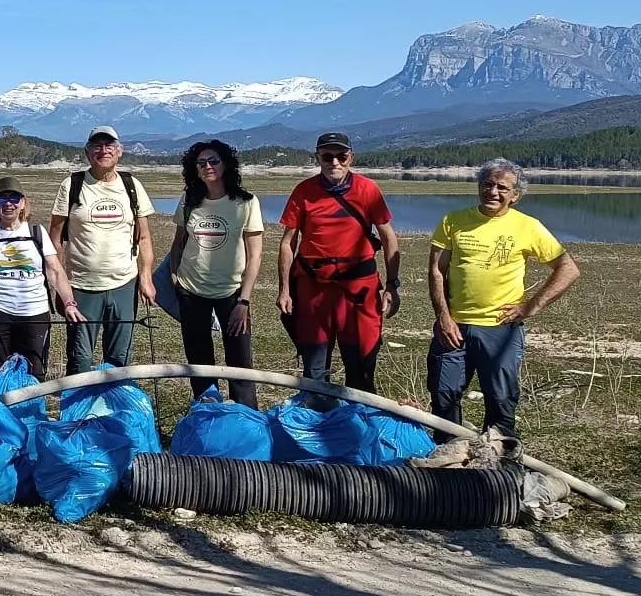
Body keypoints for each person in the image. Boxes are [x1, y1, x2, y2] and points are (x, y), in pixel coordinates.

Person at [427, 160, 580, 439]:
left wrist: (530, 307)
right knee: (443, 395)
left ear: (515, 195)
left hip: (500, 329)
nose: (493, 192)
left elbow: (568, 268)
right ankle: (446, 462)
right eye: (487, 184)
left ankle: (498, 466)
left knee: (501, 399)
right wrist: (443, 317)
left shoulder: (528, 226)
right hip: (453, 327)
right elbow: (437, 270)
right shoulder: (452, 221)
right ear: (479, 186)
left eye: (502, 187)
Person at [276, 132, 402, 394]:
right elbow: (288, 243)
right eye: (327, 156)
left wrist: (392, 284)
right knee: (314, 364)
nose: (334, 162)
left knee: (361, 361)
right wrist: (285, 290)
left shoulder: (368, 190)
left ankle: (358, 425)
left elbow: (389, 238)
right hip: (313, 288)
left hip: (358, 289)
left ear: (350, 158)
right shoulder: (304, 191)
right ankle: (316, 422)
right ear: (318, 159)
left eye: (341, 156)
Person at [49, 125, 157, 375]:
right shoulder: (72, 184)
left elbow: (145, 237)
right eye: (97, 145)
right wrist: (59, 283)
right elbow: (56, 240)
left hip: (124, 284)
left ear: (120, 151)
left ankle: (114, 409)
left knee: (120, 358)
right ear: (87, 152)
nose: (103, 150)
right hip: (81, 287)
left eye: (109, 145)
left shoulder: (132, 185)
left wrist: (146, 276)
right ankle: (78, 412)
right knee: (80, 359)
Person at [165, 141, 264, 408]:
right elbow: (178, 242)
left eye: (214, 161)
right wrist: (175, 276)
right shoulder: (189, 200)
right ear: (194, 169)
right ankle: (207, 412)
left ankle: (245, 416)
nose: (208, 167)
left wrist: (244, 301)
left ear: (226, 164)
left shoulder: (245, 202)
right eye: (201, 163)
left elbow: (255, 254)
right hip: (191, 290)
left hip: (231, 294)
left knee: (240, 362)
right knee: (199, 360)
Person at [0, 177, 81, 379]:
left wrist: (69, 303)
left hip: (34, 313)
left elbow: (56, 271)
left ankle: (31, 410)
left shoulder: (37, 232)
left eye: (14, 198)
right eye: (1, 199)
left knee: (34, 373)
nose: (8, 204)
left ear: (23, 203)